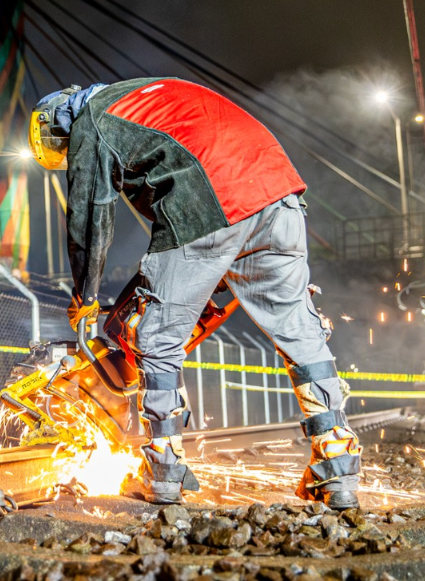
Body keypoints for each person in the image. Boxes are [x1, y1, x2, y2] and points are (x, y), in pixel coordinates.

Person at [28, 78, 361, 506]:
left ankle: (163, 469)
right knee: (300, 332)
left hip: (209, 203)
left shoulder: (92, 119)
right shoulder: (149, 94)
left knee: (154, 335)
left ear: (59, 124)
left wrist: (85, 296)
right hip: (280, 198)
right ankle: (337, 467)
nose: (68, 155)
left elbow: (90, 220)